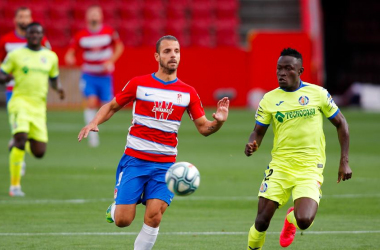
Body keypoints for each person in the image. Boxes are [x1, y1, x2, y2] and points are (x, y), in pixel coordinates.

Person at [78, 35, 229, 250]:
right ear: (157, 56)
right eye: (167, 51)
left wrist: (219, 122)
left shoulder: (188, 92)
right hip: (135, 160)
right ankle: (116, 208)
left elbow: (204, 128)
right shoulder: (139, 84)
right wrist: (94, 121)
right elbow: (111, 107)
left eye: (176, 51)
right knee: (123, 220)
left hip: (166, 166)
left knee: (154, 216)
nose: (173, 55)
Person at [244, 48, 352, 249]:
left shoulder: (318, 94)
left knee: (304, 220)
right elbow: (257, 132)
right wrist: (252, 144)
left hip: (310, 167)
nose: (282, 73)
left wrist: (344, 161)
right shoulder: (269, 99)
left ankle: (290, 220)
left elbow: (341, 123)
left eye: (288, 69)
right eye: (279, 69)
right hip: (281, 166)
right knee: (261, 221)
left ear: (300, 70)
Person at [0, 22, 65, 197]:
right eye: (31, 33)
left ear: (42, 36)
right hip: (19, 101)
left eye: (38, 33)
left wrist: (58, 89)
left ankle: (15, 144)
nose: (34, 36)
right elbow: (1, 72)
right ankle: (15, 187)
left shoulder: (50, 57)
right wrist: (5, 77)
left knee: (39, 152)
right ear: (26, 35)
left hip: (38, 107)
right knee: (21, 137)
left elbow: (53, 78)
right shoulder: (15, 55)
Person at [65, 5, 124, 147]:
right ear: (87, 17)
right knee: (91, 102)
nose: (94, 17)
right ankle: (91, 135)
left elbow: (119, 47)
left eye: (96, 14)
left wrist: (110, 61)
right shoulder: (81, 35)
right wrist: (69, 58)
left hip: (105, 76)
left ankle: (96, 126)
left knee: (108, 105)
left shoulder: (109, 32)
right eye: (91, 14)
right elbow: (70, 53)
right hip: (89, 75)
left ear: (101, 17)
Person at [0, 6, 51, 104]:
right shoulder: (6, 40)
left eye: (27, 17)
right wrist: (5, 74)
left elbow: (49, 58)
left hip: (35, 87)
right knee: (16, 117)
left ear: (31, 19)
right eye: (21, 17)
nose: (24, 20)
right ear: (15, 19)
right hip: (13, 86)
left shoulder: (41, 39)